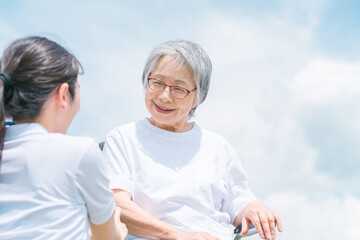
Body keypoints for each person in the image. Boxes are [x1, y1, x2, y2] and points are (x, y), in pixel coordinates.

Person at [103, 40, 283, 240]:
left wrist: (255, 209)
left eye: (178, 89)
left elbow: (239, 201)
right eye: (157, 82)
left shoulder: (218, 148)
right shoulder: (123, 138)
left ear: (199, 96)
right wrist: (178, 235)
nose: (164, 96)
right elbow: (115, 205)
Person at [0, 36, 128, 240]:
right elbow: (107, 238)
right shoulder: (79, 152)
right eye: (78, 91)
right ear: (63, 94)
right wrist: (119, 232)